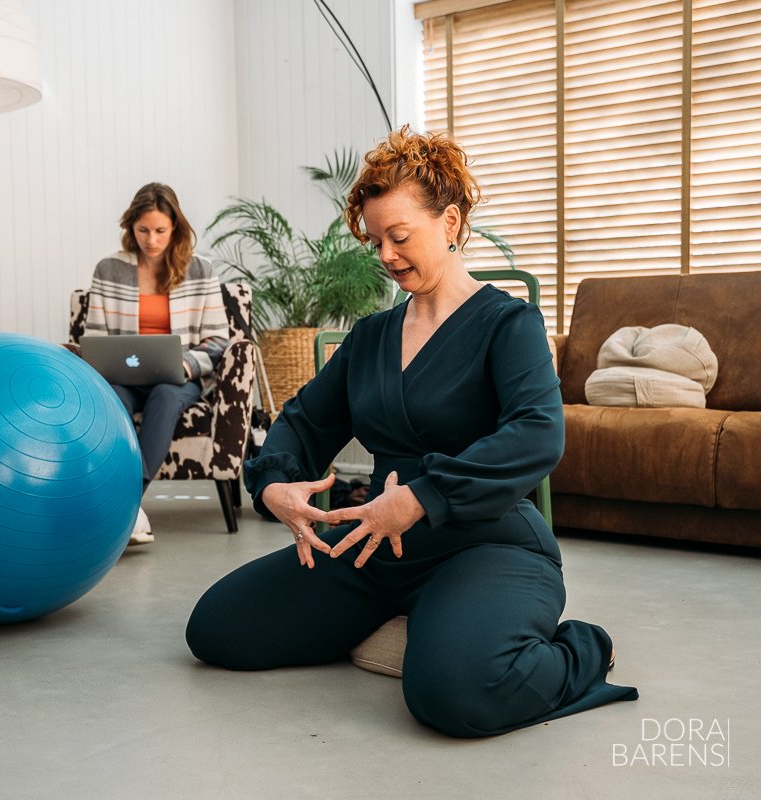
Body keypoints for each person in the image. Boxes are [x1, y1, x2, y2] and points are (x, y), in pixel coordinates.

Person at [184, 128, 638, 737]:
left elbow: (537, 433)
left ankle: (585, 646)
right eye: (377, 241)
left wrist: (422, 497)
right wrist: (274, 483)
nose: (386, 256)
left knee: (454, 696)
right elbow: (304, 420)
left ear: (449, 222)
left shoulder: (508, 324)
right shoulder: (370, 337)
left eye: (400, 236)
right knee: (218, 628)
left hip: (487, 544)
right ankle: (421, 622)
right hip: (377, 543)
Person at [82, 183, 229, 545]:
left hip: (179, 377)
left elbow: (218, 341)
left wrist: (183, 365)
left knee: (165, 395)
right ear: (130, 227)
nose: (151, 239)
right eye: (143, 230)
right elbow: (95, 338)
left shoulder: (200, 270)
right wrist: (106, 363)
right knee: (110, 401)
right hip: (123, 378)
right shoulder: (109, 269)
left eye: (160, 230)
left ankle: (126, 505)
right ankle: (116, 504)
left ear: (175, 228)